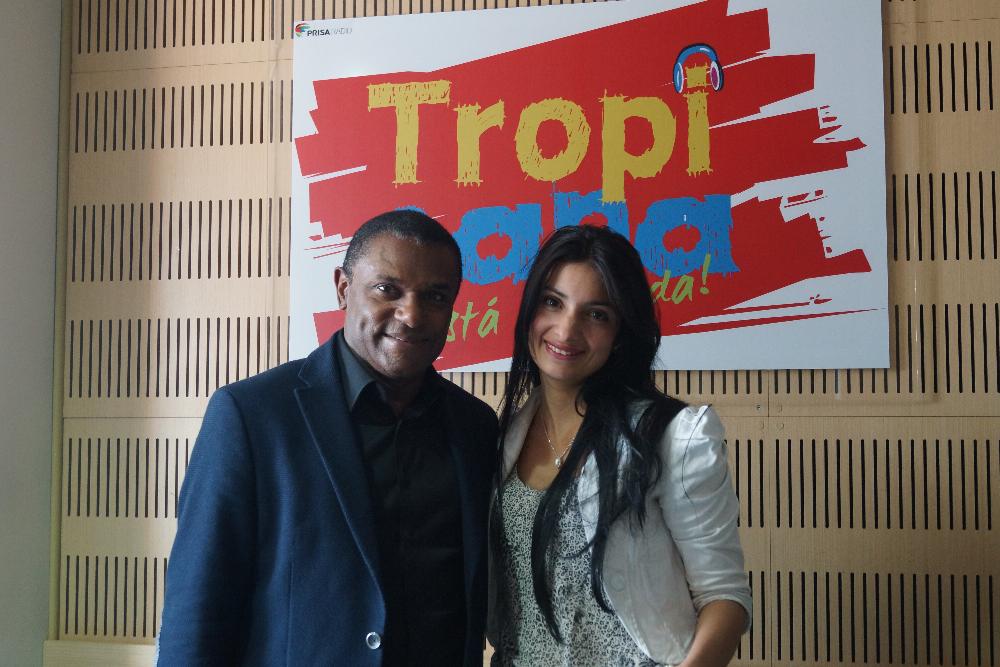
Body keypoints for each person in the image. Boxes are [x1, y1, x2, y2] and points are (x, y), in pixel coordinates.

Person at [157, 210, 499, 666]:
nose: (411, 314)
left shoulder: (475, 426)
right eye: (387, 290)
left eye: (435, 296)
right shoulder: (253, 415)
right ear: (343, 288)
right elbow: (196, 608)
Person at [488, 225, 750, 666]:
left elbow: (724, 598)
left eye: (596, 314)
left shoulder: (673, 436)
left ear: (620, 332)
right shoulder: (500, 438)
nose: (566, 329)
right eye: (552, 302)